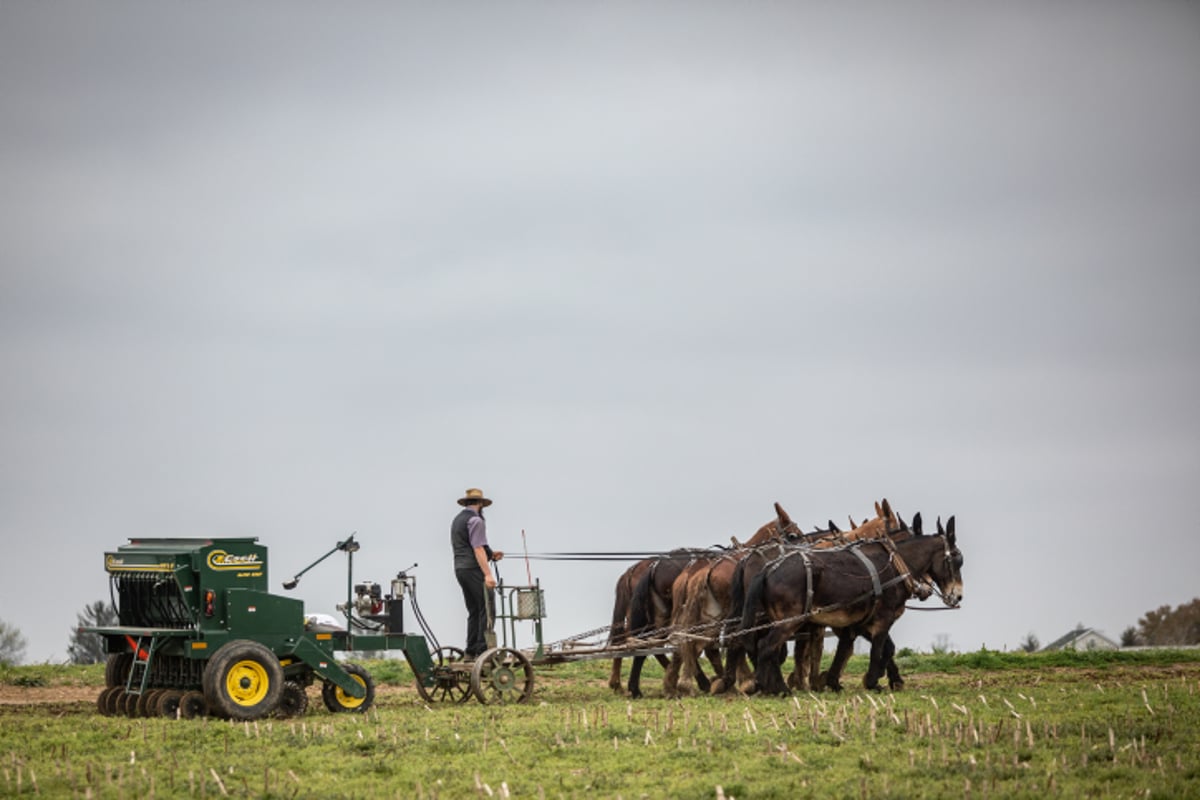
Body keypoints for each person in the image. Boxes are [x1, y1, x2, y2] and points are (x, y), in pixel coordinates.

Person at [450, 487, 504, 659]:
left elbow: (469, 545)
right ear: (480, 504)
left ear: (467, 503)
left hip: (460, 569)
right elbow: (477, 548)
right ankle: (483, 649)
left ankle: (471, 650)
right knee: (487, 608)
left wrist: (491, 554)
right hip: (473, 569)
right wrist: (488, 574)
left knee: (473, 609)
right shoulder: (476, 521)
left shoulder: (458, 519)